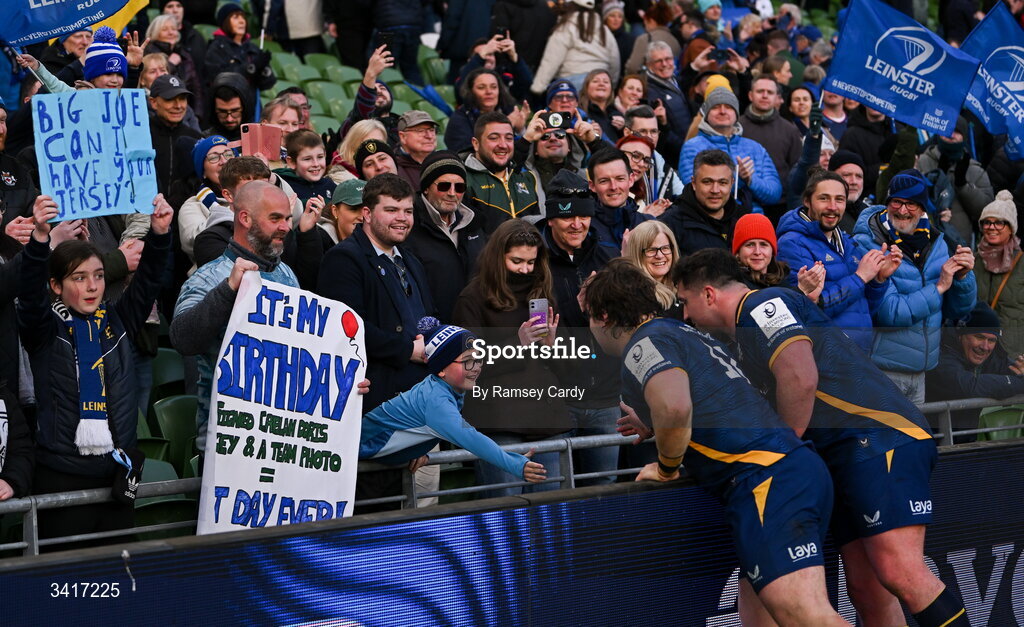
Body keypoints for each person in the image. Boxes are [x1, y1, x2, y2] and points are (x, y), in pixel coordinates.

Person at [674, 248, 970, 627]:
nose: (684, 314)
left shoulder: (762, 305)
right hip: (846, 454)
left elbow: (801, 376)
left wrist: (783, 451)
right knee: (866, 590)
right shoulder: (744, 334)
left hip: (879, 437)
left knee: (902, 573)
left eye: (685, 301)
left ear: (709, 294)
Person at [584, 259, 846, 626]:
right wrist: (657, 424)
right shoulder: (681, 331)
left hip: (767, 480)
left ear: (604, 316)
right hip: (792, 470)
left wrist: (666, 466)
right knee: (757, 616)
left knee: (807, 617)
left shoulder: (643, 344)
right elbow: (714, 403)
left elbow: (676, 407)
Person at [20, 193, 173, 545]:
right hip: (63, 477)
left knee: (116, 578)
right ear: (56, 286)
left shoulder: (117, 322)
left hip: (117, 476)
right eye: (79, 278)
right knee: (69, 584)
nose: (92, 287)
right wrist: (40, 237)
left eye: (99, 276)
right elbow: (29, 296)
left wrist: (161, 234)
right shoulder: (45, 331)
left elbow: (148, 281)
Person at [172, 181, 305, 448]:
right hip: (227, 441)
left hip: (282, 438)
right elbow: (183, 338)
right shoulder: (209, 278)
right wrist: (228, 289)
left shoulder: (287, 274)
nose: (286, 227)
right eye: (275, 218)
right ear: (244, 218)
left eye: (288, 219)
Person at [453, 219, 569, 497]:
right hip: (498, 420)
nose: (525, 270)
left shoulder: (541, 295)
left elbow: (568, 365)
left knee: (552, 507)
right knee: (505, 510)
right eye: (517, 261)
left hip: (546, 418)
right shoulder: (472, 297)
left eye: (531, 262)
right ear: (497, 257)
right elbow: (467, 366)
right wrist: (518, 343)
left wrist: (553, 345)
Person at [360, 317, 547, 485]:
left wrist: (415, 450)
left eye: (478, 359)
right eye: (467, 361)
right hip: (351, 457)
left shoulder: (443, 386)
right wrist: (515, 464)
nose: (476, 367)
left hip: (369, 460)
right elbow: (470, 438)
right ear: (441, 369)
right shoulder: (435, 400)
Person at [853, 170, 977, 403]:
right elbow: (888, 313)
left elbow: (957, 311)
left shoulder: (936, 241)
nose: (902, 210)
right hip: (882, 370)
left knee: (916, 440)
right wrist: (938, 287)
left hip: (921, 372)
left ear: (922, 208)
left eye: (910, 204)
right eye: (896, 202)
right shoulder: (869, 242)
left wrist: (963, 278)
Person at [317, 174, 435, 412]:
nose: (402, 218)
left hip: (420, 395)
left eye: (408, 211)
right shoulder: (344, 258)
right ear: (367, 214)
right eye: (391, 210)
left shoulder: (410, 259)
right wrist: (408, 350)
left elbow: (428, 315)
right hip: (375, 402)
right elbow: (346, 328)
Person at [540, 171, 622, 486]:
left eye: (583, 216)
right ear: (550, 219)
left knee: (602, 496)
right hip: (556, 398)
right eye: (568, 216)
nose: (577, 224)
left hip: (605, 397)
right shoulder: (533, 260)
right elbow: (535, 325)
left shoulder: (607, 255)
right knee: (554, 499)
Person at [777, 170, 900, 353]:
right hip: (825, 357)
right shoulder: (791, 243)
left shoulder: (847, 242)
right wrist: (860, 277)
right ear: (807, 201)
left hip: (859, 354)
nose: (833, 207)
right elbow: (809, 310)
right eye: (824, 199)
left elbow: (865, 310)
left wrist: (878, 280)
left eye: (840, 199)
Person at [404, 151, 487, 322]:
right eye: (444, 186)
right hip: (433, 332)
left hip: (475, 328)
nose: (452, 193)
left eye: (459, 187)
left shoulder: (475, 224)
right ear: (426, 187)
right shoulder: (408, 226)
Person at [927, 302, 1024, 441]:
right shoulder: (940, 354)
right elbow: (969, 386)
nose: (985, 347)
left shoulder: (994, 356)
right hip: (935, 447)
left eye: (991, 340)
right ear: (961, 334)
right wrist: (1018, 382)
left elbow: (1011, 368)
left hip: (967, 444)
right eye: (979, 337)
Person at [678, 86, 782, 212]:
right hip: (708, 219)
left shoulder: (755, 148)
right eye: (715, 107)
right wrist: (737, 178)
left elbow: (775, 193)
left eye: (728, 107)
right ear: (706, 114)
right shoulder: (693, 147)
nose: (722, 111)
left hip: (751, 220)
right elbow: (692, 189)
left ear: (736, 114)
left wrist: (751, 180)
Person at [915, 117, 995, 241]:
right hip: (926, 239)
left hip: (960, 243)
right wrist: (936, 182)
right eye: (947, 129)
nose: (951, 135)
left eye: (957, 131)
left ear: (964, 137)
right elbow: (912, 199)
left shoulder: (974, 169)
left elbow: (987, 211)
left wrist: (963, 185)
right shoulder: (923, 162)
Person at [659, 149, 747, 256]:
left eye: (722, 182)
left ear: (732, 183)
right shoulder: (669, 224)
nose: (715, 190)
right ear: (694, 183)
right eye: (707, 182)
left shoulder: (743, 219)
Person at [464, 112, 542, 233]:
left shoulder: (527, 179)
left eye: (509, 138)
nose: (503, 145)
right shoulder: (463, 182)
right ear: (476, 143)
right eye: (494, 138)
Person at [739, 77, 802, 219]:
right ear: (750, 95)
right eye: (760, 91)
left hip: (780, 206)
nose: (765, 95)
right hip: (745, 203)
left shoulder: (789, 130)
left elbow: (797, 168)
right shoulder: (737, 126)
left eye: (770, 92)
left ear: (777, 98)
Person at [529, 0, 621, 97]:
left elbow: (551, 59)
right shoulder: (604, 30)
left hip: (573, 84)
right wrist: (610, 85)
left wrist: (537, 88)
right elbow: (615, 62)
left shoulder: (566, 27)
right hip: (601, 84)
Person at [974, 190, 1024, 358]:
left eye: (999, 222)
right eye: (986, 222)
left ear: (1011, 228)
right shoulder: (972, 261)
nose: (991, 227)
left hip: (1013, 353)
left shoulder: (1022, 263)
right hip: (977, 350)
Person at [733, 212, 826, 301]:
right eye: (750, 245)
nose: (757, 252)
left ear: (772, 250)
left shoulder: (781, 279)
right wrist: (801, 291)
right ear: (738, 251)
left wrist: (811, 299)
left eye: (763, 244)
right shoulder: (733, 284)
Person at [178, 136, 233, 265]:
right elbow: (193, 242)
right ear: (203, 172)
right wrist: (233, 211)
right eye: (214, 157)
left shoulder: (255, 192)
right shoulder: (193, 206)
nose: (223, 161)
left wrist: (270, 180)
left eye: (228, 154)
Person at [444, 68, 525, 155]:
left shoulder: (508, 111)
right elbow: (465, 155)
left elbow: (523, 155)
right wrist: (505, 128)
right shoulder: (459, 119)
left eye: (493, 87)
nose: (489, 92)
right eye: (481, 87)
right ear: (471, 92)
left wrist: (520, 130)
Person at [588, 148, 655, 251]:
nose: (613, 187)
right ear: (592, 186)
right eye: (604, 181)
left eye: (620, 179)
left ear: (631, 179)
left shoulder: (649, 224)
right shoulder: (584, 227)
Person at [149, 74, 203, 195]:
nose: (178, 106)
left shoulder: (195, 137)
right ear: (153, 102)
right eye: (170, 99)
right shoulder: (142, 134)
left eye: (182, 98)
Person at [203, 3, 276, 92]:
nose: (242, 21)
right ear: (225, 21)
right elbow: (219, 78)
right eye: (236, 17)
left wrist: (264, 69)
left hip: (252, 101)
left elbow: (268, 84)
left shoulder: (252, 48)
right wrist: (251, 67)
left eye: (243, 17)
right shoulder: (216, 48)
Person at [643, 41, 692, 165]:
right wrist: (685, 149)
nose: (665, 64)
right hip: (675, 158)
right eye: (659, 61)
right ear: (649, 65)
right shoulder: (649, 92)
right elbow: (662, 132)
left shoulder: (675, 80)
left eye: (668, 59)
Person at [340, 44, 401, 144]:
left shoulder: (402, 126)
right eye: (374, 89)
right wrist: (371, 74)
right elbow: (362, 111)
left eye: (382, 88)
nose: (379, 91)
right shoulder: (355, 122)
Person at [622, 219, 682, 318]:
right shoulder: (634, 297)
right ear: (637, 254)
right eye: (651, 250)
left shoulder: (685, 285)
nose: (659, 255)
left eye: (665, 248)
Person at [623, 105, 684, 202]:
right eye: (643, 131)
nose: (649, 137)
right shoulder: (617, 165)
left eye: (654, 131)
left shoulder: (660, 162)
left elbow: (683, 196)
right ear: (627, 132)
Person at [274, 129, 336, 206]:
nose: (316, 164)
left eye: (320, 157)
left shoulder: (331, 186)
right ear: (292, 162)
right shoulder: (282, 186)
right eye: (307, 159)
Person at [624, 0, 681, 75]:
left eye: (645, 23)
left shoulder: (644, 39)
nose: (645, 27)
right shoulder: (675, 41)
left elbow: (633, 67)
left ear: (651, 21)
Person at [328, 119, 388, 184]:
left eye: (380, 143)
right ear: (353, 146)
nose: (375, 149)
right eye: (368, 144)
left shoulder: (389, 169)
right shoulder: (341, 182)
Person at [394, 111, 440, 190]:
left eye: (431, 130)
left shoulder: (445, 162)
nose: (429, 136)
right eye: (420, 131)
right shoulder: (393, 168)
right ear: (403, 137)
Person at [318, 179, 366, 252]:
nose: (362, 217)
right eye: (354, 209)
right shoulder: (320, 240)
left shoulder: (385, 239)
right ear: (335, 211)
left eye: (368, 210)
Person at [204, 72, 255, 141]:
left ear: (245, 108)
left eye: (235, 111)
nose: (229, 119)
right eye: (222, 112)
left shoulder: (259, 138)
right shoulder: (204, 141)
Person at [580, 69, 624, 142]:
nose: (601, 84)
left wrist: (623, 129)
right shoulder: (580, 113)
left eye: (606, 82)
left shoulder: (617, 114)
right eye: (595, 81)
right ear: (586, 87)